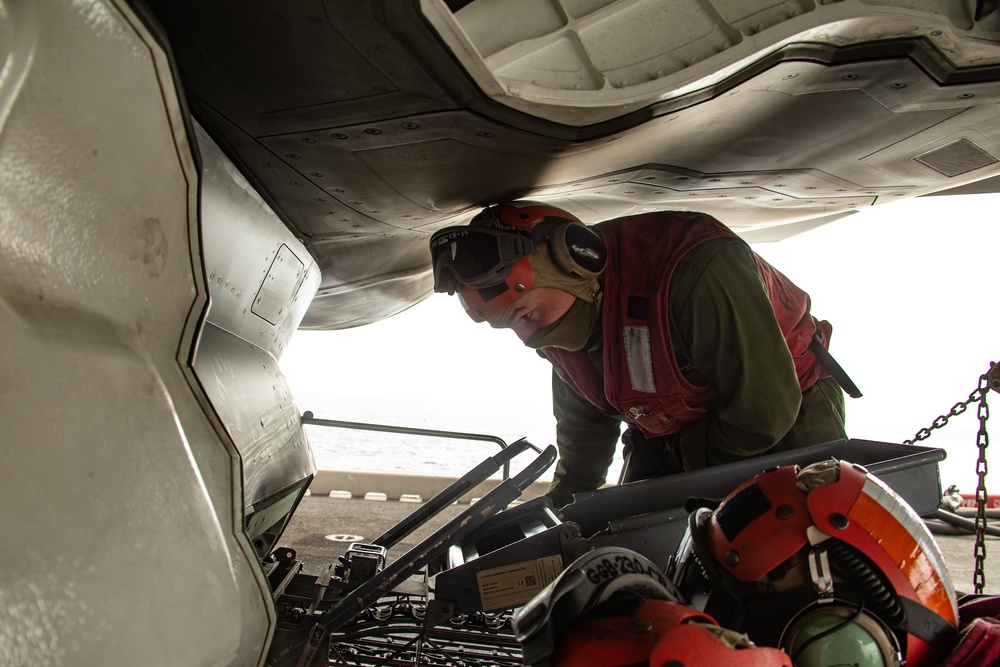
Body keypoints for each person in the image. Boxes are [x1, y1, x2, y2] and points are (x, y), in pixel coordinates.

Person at [430, 200, 857, 507]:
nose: (527, 338)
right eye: (511, 326)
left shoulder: (692, 267)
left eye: (526, 315)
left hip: (789, 415)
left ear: (574, 263)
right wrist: (567, 498)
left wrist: (682, 462)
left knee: (807, 557)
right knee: (635, 553)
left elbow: (766, 408)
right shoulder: (556, 328)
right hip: (671, 431)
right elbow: (585, 415)